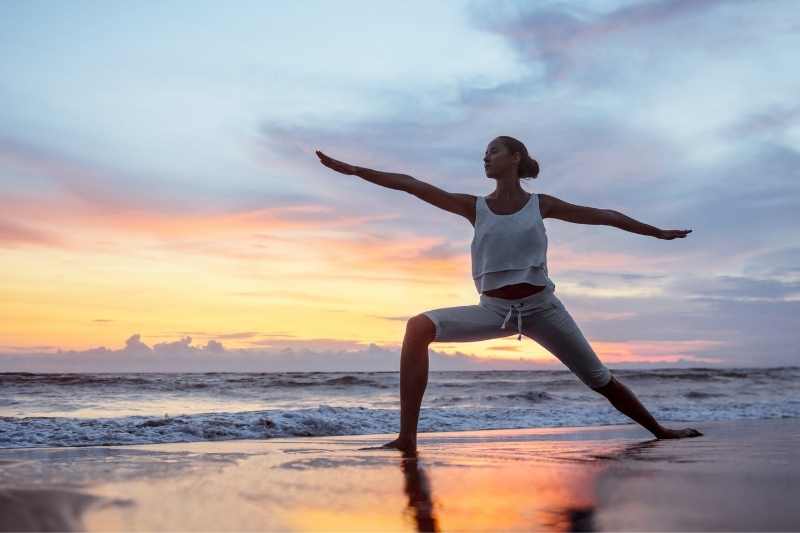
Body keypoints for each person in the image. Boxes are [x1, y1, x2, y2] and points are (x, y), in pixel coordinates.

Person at [316, 137, 703, 452]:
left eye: (494, 151)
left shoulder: (541, 204)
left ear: (516, 158)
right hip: (494, 309)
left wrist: (656, 232)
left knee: (599, 379)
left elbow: (604, 215)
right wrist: (355, 171)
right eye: (484, 154)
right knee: (418, 327)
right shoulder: (475, 207)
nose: (486, 158)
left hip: (542, 309)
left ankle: (659, 430)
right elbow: (412, 185)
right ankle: (407, 439)